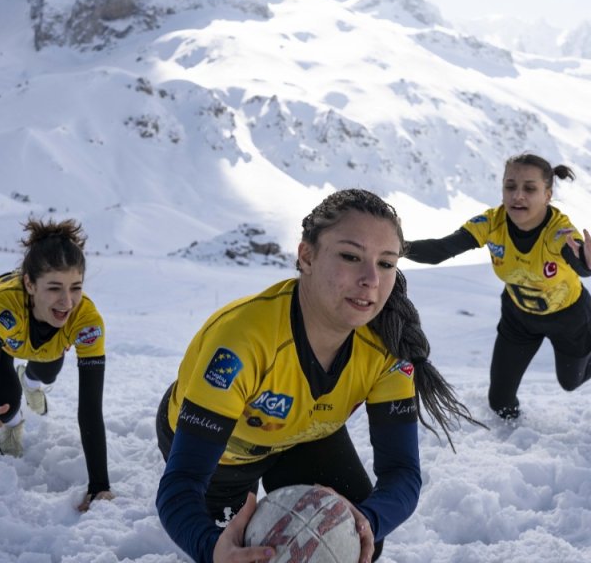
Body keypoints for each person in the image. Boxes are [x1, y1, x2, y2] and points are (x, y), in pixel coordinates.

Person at [155, 189, 481, 563]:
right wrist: (210, 548)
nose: (371, 279)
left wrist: (367, 522)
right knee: (238, 553)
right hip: (229, 452)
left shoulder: (387, 351)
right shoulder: (241, 341)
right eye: (350, 256)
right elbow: (181, 485)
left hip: (304, 435)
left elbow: (402, 473)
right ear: (306, 256)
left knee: (351, 541)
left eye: (387, 263)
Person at [405, 153, 591, 422]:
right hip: (519, 318)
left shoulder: (558, 230)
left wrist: (587, 263)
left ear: (547, 195)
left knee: (571, 382)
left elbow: (578, 261)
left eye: (529, 188)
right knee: (500, 402)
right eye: (510, 186)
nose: (518, 196)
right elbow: (442, 249)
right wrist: (397, 247)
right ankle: (511, 442)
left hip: (569, 318)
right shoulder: (492, 223)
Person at [0, 217, 114, 512]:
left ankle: (30, 382)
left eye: (76, 287)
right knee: (4, 400)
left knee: (47, 370)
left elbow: (90, 407)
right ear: (29, 283)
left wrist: (100, 486)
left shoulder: (86, 320)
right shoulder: (7, 304)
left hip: (38, 334)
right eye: (54, 288)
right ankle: (14, 424)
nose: (67, 301)